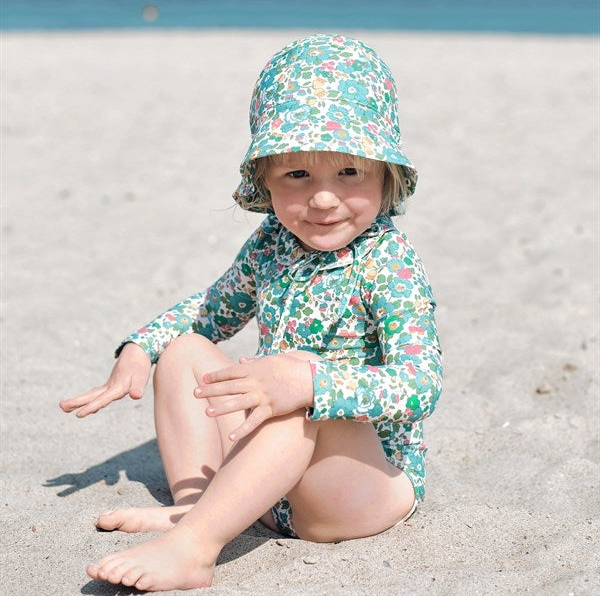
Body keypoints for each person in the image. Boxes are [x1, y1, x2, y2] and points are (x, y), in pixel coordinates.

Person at [59, 34, 443, 592]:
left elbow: (421, 384)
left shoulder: (390, 262)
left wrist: (310, 383)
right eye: (297, 175)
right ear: (265, 180)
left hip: (359, 488)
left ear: (386, 175)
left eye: (349, 172)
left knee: (290, 392)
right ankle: (198, 507)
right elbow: (211, 312)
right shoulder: (271, 244)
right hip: (271, 484)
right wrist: (141, 346)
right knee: (185, 350)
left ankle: (194, 549)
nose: (323, 198)